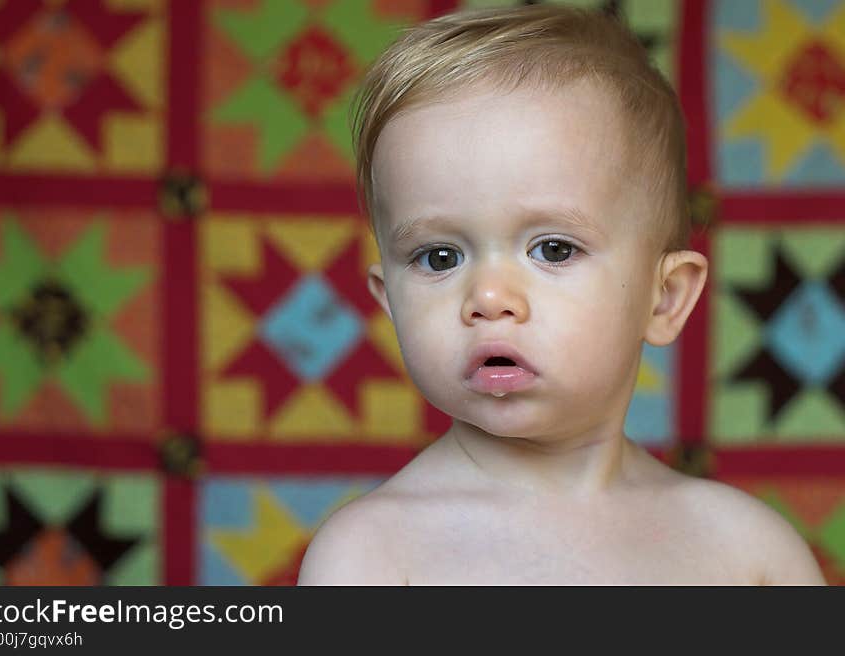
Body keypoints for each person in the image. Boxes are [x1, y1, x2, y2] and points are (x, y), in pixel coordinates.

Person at [296, 4, 826, 585]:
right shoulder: (370, 555)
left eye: (553, 249)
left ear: (665, 297)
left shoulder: (749, 553)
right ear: (388, 300)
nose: (490, 296)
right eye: (439, 257)